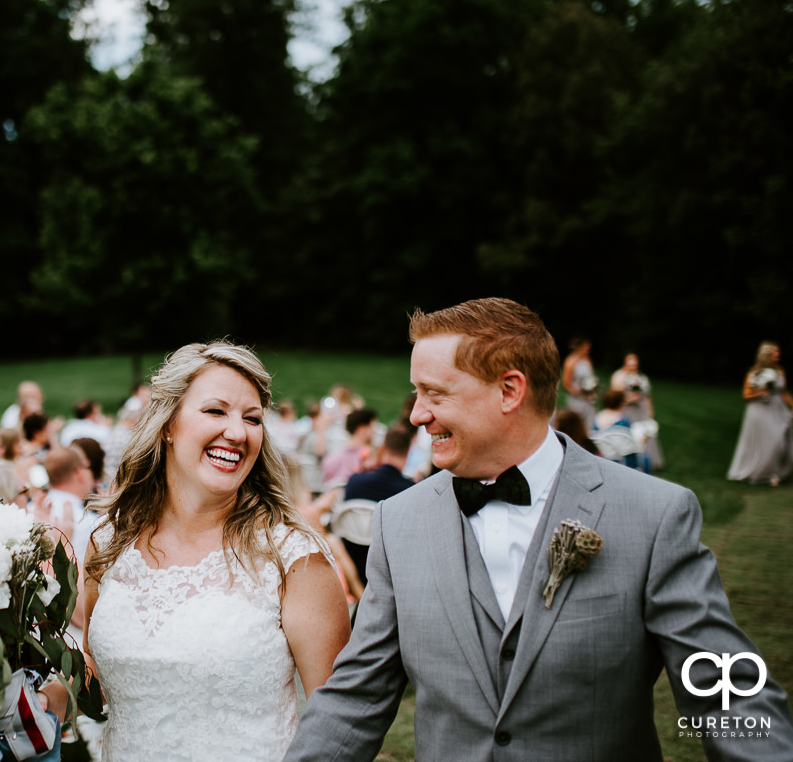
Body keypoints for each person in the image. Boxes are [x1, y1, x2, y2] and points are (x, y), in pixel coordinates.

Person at [284, 297, 793, 762]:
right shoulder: (401, 521)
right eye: (416, 394)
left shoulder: (653, 514)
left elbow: (724, 691)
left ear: (510, 390)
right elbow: (358, 693)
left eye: (434, 393)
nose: (418, 414)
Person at [84, 341, 351, 762]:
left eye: (252, 419)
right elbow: (93, 672)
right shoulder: (109, 542)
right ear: (167, 424)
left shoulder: (293, 557)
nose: (238, 432)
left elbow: (339, 725)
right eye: (215, 411)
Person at [340, 424, 415, 584]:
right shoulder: (410, 491)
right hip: (388, 570)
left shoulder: (355, 481)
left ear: (383, 448)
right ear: (408, 452)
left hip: (351, 563)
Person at [727, 341, 793, 486]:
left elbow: (784, 393)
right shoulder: (753, 373)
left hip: (778, 410)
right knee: (767, 442)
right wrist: (760, 392)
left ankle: (775, 471)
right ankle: (765, 473)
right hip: (759, 411)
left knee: (779, 441)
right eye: (775, 352)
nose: (778, 355)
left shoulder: (780, 371)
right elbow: (745, 395)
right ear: (767, 355)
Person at [609, 352, 664, 468]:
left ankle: (648, 461)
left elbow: (647, 396)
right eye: (630, 364)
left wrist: (650, 412)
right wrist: (629, 399)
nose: (633, 367)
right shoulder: (619, 376)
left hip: (641, 409)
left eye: (634, 365)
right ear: (625, 364)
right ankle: (630, 460)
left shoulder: (642, 377)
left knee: (646, 432)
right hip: (627, 410)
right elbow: (615, 396)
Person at [560, 336, 597, 433]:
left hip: (588, 398)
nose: (587, 350)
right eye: (586, 348)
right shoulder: (570, 361)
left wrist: (592, 389)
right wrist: (577, 392)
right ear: (579, 347)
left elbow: (590, 377)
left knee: (589, 425)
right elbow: (566, 383)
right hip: (576, 399)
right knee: (575, 425)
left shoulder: (588, 360)